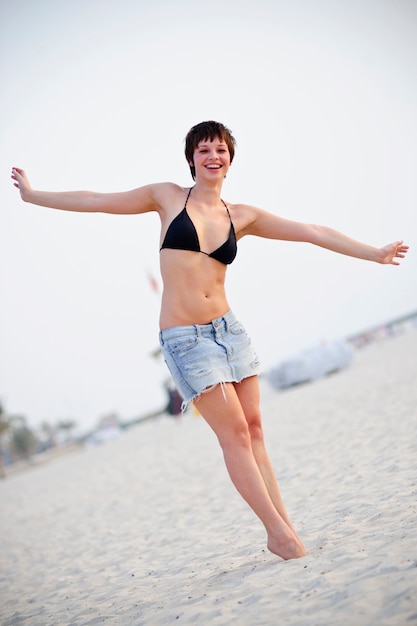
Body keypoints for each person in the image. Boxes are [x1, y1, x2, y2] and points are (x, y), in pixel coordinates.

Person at [11, 121, 408, 560]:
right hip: (186, 338)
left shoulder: (243, 216)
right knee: (235, 433)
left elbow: (311, 231)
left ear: (230, 160)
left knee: (255, 431)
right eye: (203, 150)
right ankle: (278, 535)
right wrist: (34, 195)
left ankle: (285, 526)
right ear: (191, 160)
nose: (212, 156)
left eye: (220, 149)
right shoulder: (165, 197)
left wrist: (373, 252)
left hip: (230, 332)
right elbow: (96, 200)